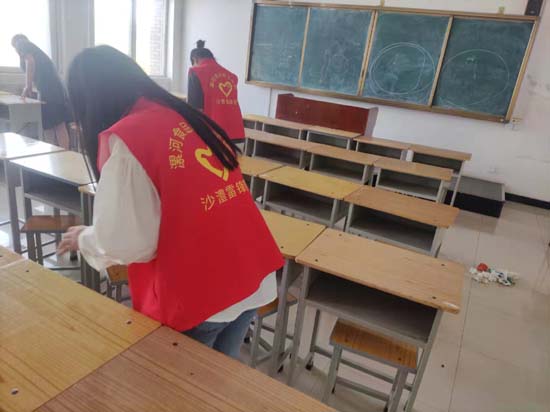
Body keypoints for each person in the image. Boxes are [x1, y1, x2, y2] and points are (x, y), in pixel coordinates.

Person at [57, 46, 283, 359]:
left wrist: (84, 237)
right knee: (219, 379)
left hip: (204, 294)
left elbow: (126, 241)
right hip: (251, 274)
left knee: (183, 384)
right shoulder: (186, 116)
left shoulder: (131, 135)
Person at [11, 34, 71, 148]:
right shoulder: (36, 51)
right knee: (50, 125)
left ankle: (61, 153)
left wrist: (27, 86)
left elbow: (30, 62)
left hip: (51, 90)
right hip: (52, 89)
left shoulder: (21, 43)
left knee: (56, 125)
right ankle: (54, 153)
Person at [188, 40, 246, 143]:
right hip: (236, 132)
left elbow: (194, 107)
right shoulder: (232, 76)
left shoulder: (195, 72)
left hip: (211, 133)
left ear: (195, 59)